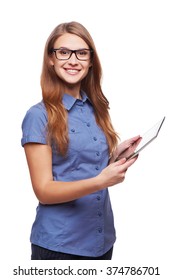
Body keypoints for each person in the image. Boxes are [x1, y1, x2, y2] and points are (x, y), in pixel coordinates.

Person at [21, 21, 141, 260]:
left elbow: (81, 166)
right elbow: (43, 191)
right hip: (60, 247)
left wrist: (115, 157)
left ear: (91, 61)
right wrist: (100, 181)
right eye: (64, 52)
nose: (73, 60)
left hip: (102, 240)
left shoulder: (96, 108)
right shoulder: (38, 115)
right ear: (50, 59)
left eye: (82, 53)